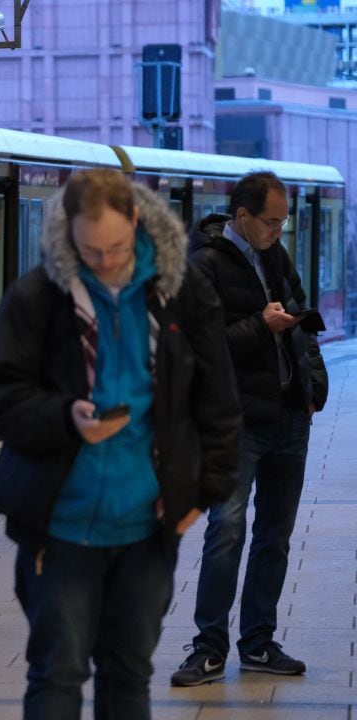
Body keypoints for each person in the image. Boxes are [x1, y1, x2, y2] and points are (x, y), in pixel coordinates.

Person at [0, 168, 241, 720]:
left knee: (127, 676)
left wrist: (199, 498)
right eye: (90, 250)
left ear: (137, 222)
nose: (107, 261)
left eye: (117, 247)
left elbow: (219, 404)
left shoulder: (181, 292)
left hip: (147, 526)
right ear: (69, 233)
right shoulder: (40, 294)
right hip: (60, 527)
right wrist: (65, 416)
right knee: (57, 674)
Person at [170, 171, 328, 686]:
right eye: (271, 221)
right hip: (235, 422)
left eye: (283, 222)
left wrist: (313, 387)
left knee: (275, 537)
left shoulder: (277, 258)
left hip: (288, 419)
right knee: (227, 532)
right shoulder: (203, 266)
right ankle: (208, 647)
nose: (278, 231)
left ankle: (258, 642)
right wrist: (260, 325)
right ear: (242, 216)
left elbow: (304, 323)